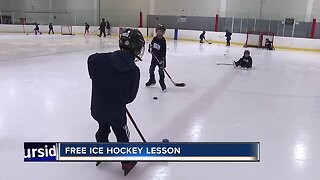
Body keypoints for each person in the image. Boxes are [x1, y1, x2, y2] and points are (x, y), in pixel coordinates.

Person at [88, 28, 145, 175]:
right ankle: (126, 162)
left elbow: (91, 60)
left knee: (103, 128)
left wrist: (100, 80)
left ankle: (102, 151)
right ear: (135, 48)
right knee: (122, 135)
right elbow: (129, 98)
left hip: (98, 108)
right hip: (116, 113)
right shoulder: (133, 71)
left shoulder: (99, 59)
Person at [145, 24, 167, 92]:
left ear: (163, 32)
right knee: (151, 69)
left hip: (161, 59)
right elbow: (151, 45)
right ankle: (152, 80)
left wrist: (161, 60)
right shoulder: (154, 39)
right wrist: (150, 49)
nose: (159, 32)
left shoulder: (163, 41)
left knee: (160, 72)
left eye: (161, 31)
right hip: (154, 58)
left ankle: (162, 83)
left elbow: (163, 51)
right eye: (158, 31)